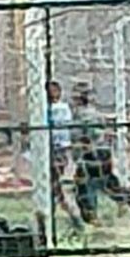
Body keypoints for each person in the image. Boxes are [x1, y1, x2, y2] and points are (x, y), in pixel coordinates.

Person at [71, 83, 130, 225]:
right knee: (107, 183)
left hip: (92, 154)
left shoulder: (84, 115)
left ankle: (92, 216)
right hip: (101, 152)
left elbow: (90, 134)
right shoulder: (92, 113)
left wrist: (85, 144)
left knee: (86, 185)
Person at [46, 80, 83, 231]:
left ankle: (73, 218)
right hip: (53, 148)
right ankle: (72, 217)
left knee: (55, 186)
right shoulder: (49, 108)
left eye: (55, 90)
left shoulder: (62, 107)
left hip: (59, 149)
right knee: (54, 188)